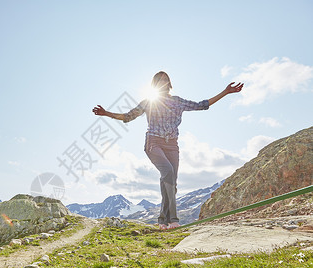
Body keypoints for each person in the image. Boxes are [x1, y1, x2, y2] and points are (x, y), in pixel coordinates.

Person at [92, 71, 243, 230]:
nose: (163, 83)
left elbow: (202, 105)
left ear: (169, 84)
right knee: (168, 172)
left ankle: (162, 222)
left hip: (172, 145)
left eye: (166, 80)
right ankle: (173, 219)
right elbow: (128, 117)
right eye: (159, 81)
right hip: (153, 142)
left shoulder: (178, 102)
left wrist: (226, 92)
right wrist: (106, 113)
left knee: (170, 181)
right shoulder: (148, 102)